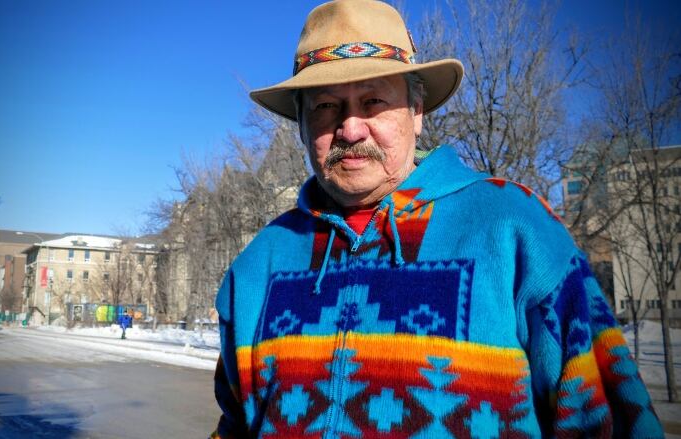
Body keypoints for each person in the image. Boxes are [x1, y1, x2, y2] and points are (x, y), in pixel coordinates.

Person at [212, 1, 663, 437]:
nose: (350, 129)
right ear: (303, 126)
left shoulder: (512, 226)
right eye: (326, 106)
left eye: (372, 101)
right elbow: (233, 424)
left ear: (416, 112)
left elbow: (607, 416)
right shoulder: (258, 265)